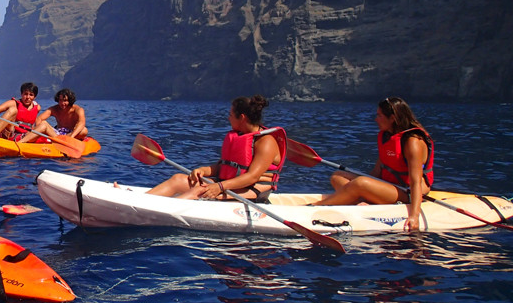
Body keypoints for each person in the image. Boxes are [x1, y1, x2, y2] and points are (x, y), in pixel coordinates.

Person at [312, 96, 434, 231]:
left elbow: (415, 181)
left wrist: (414, 215)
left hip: (409, 192)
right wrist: (367, 190)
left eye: (379, 115)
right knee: (337, 177)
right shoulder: (386, 137)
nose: (376, 119)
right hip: (391, 187)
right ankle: (364, 202)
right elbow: (376, 173)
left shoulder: (413, 141)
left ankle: (318, 205)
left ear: (392, 118)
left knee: (360, 183)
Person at [145, 95, 286, 201]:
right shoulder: (240, 136)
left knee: (197, 191)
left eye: (231, 115)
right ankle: (141, 202)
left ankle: (151, 212)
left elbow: (252, 177)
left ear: (242, 117)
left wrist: (219, 187)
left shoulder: (266, 142)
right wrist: (203, 170)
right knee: (178, 179)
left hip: (253, 190)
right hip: (230, 185)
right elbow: (223, 167)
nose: (228, 118)